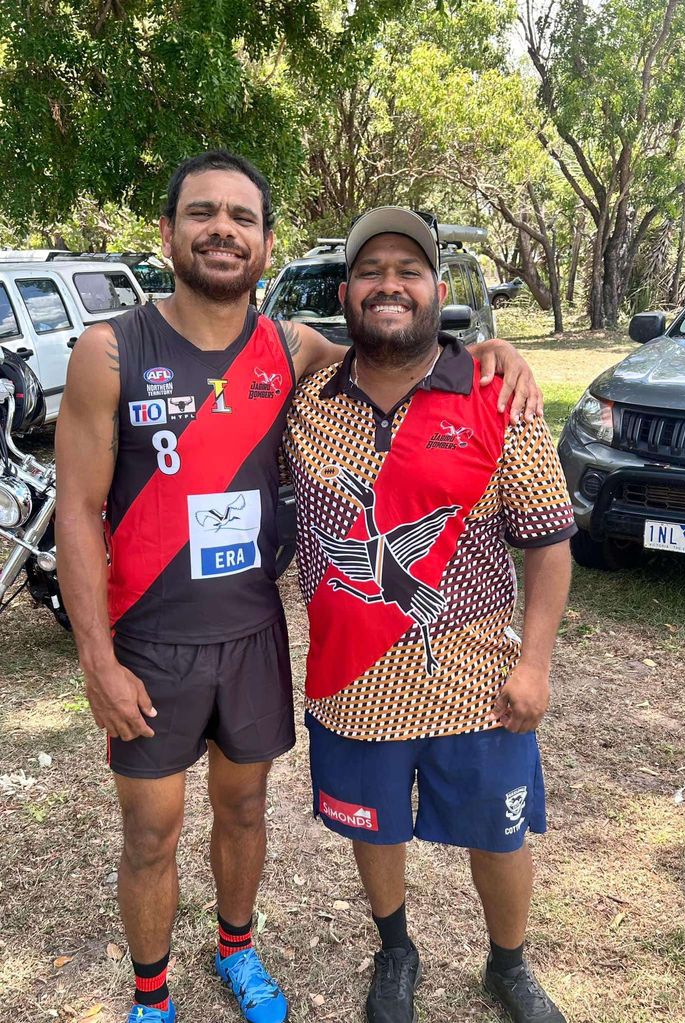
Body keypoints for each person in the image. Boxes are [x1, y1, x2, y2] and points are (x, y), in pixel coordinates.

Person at [55, 151, 540, 1023]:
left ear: (267, 244)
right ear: (167, 233)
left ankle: (237, 949)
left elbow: (397, 346)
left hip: (251, 635)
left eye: (242, 218)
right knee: (149, 831)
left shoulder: (290, 348)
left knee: (243, 812)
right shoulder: (110, 351)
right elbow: (78, 514)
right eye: (201, 213)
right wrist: (97, 658)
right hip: (152, 642)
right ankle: (150, 995)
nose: (221, 231)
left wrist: (491, 350)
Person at [283, 207, 576, 1023]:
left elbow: (549, 544)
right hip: (353, 682)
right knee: (374, 826)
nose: (389, 284)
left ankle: (509, 964)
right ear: (345, 294)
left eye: (407, 271)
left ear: (437, 291)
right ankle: (396, 948)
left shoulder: (494, 393)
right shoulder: (306, 402)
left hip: (477, 682)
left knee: (500, 832)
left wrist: (536, 663)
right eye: (371, 269)